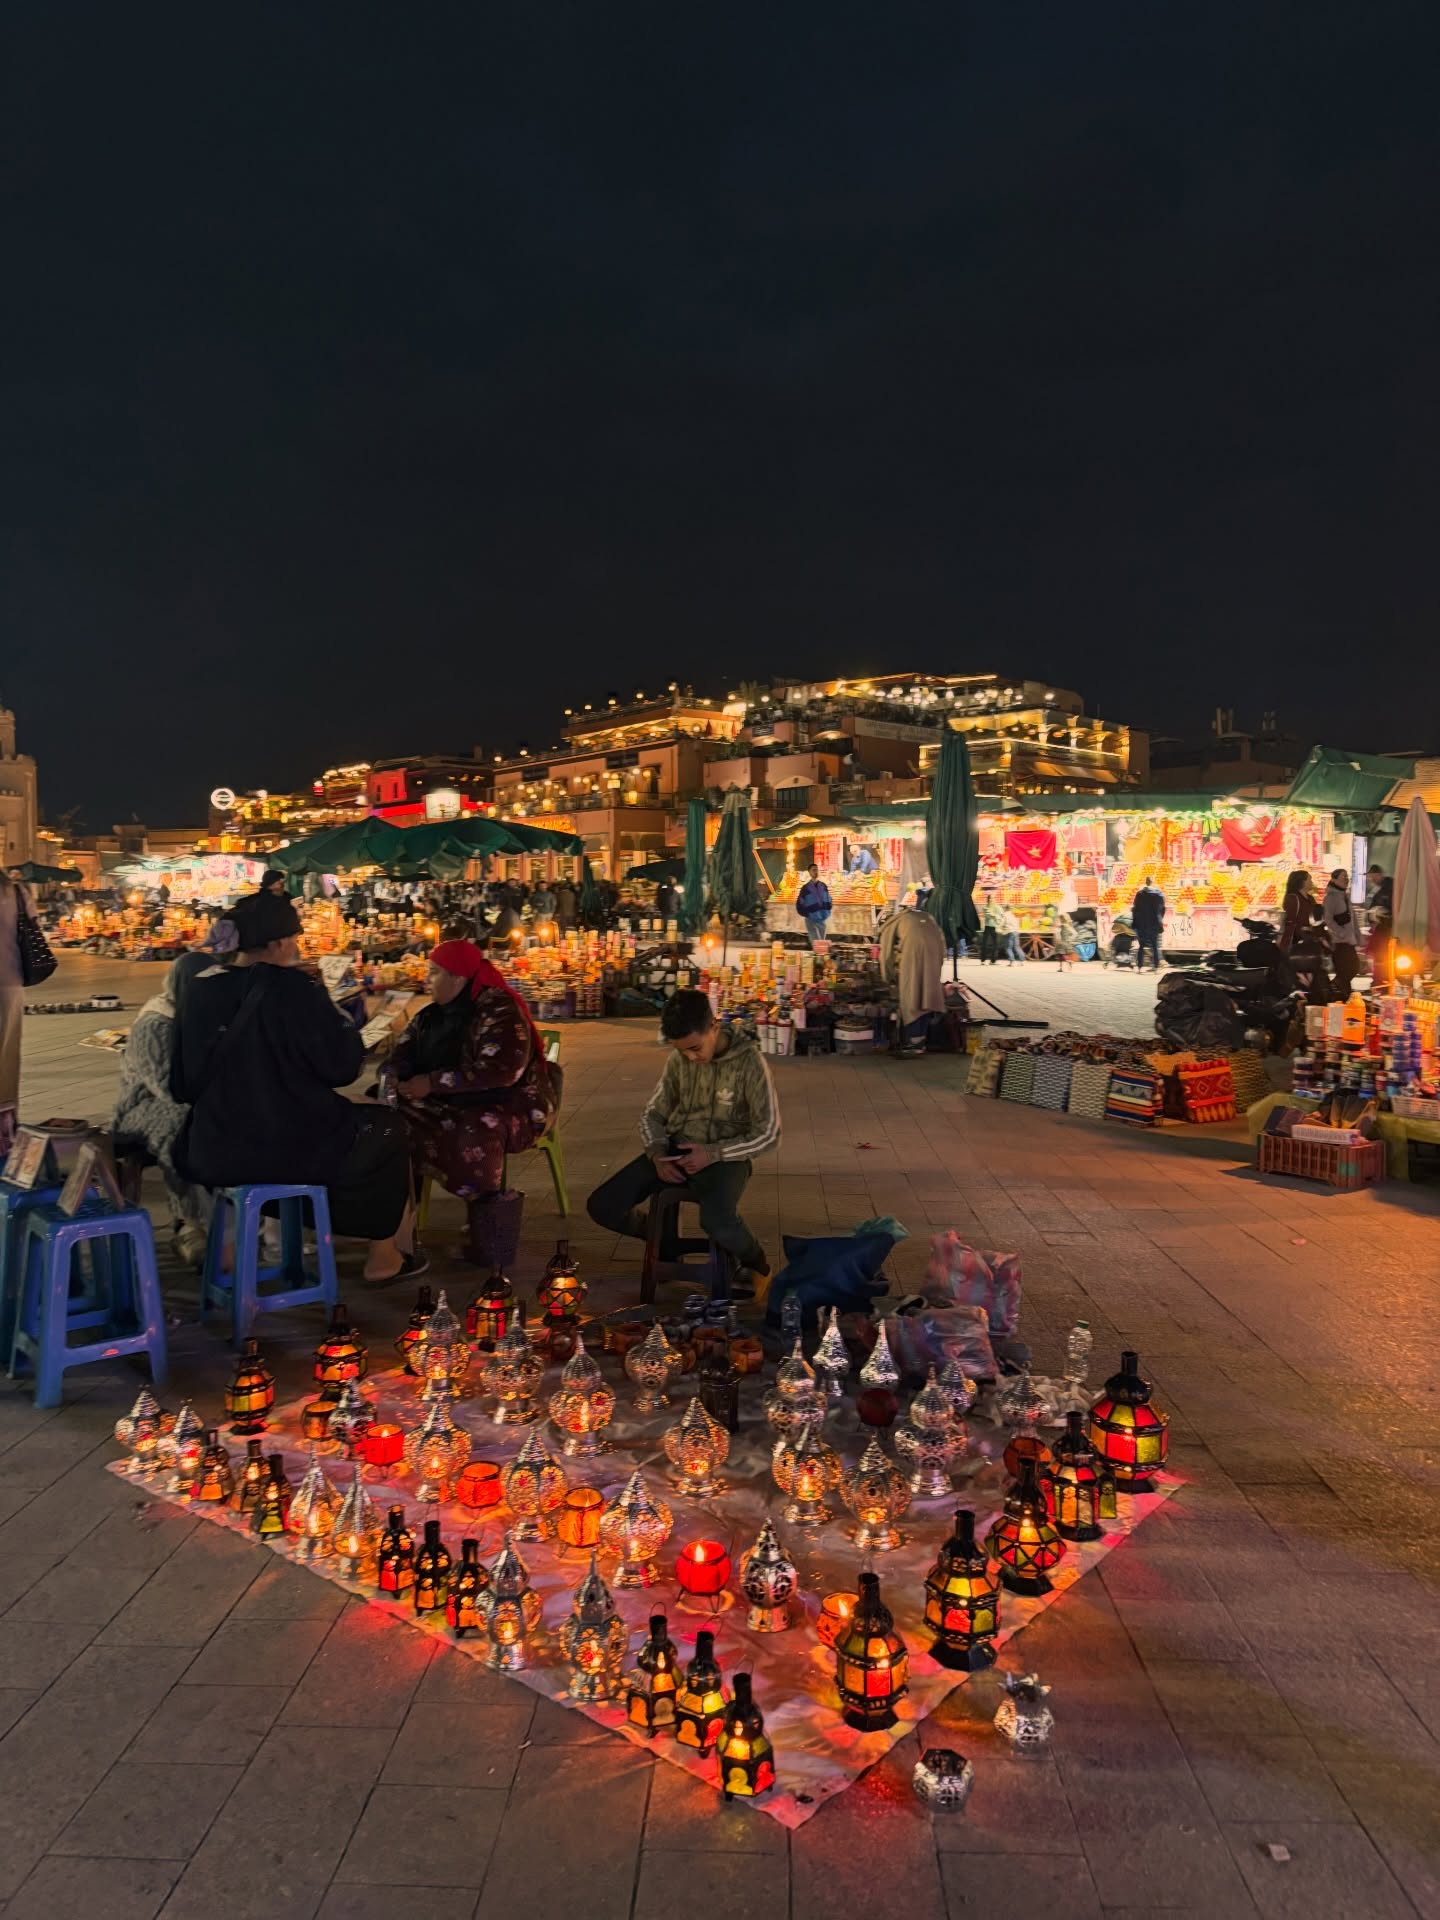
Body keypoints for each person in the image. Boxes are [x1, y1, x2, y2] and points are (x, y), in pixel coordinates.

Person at [174, 891, 421, 1282]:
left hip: (213, 1145)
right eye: (294, 938)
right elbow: (342, 1068)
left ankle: (255, 1245)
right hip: (282, 1147)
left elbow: (180, 1080)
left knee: (352, 1126)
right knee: (389, 1129)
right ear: (278, 943)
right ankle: (384, 1257)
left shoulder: (200, 988)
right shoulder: (297, 990)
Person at [586, 989, 778, 1293]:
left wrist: (713, 1154)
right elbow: (653, 1114)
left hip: (726, 1158)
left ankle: (756, 1263)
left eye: (695, 1048)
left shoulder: (750, 1064)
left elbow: (768, 1133)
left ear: (714, 1027)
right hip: (675, 1150)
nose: (691, 1057)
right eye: (682, 1050)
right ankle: (661, 1239)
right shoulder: (679, 1060)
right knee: (603, 1205)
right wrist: (657, 1153)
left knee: (718, 1221)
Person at [388, 940, 557, 1259]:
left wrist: (433, 1082)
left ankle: (488, 1229)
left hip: (512, 1102)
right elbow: (401, 1052)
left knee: (473, 1131)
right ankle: (398, 1230)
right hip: (451, 1100)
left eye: (434, 973)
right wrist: (397, 1079)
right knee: (392, 1123)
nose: (427, 979)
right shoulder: (430, 1016)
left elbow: (501, 1072)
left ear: (458, 978)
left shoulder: (500, 1011)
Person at [112, 952, 214, 1263]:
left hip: (193, 1097)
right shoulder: (156, 1024)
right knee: (182, 1125)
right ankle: (189, 1221)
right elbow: (168, 1087)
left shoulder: (202, 1016)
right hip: (143, 1106)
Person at [0, 870, 40, 1154]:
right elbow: (33, 926)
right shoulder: (16, 892)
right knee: (6, 1057)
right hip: (8, 983)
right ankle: (5, 1130)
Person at [878, 895, 948, 1053]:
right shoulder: (925, 916)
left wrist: (887, 977)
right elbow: (942, 945)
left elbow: (886, 954)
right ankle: (921, 1040)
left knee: (911, 997)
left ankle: (913, 1042)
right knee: (927, 996)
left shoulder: (891, 926)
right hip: (934, 957)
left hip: (914, 957)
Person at [1321, 868, 1360, 994]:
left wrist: (1357, 936)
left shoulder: (1345, 896)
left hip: (1349, 940)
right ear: (1334, 880)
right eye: (1343, 877)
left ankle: (1341, 994)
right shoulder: (1330, 898)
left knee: (1352, 968)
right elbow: (1328, 919)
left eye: (1347, 876)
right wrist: (1341, 933)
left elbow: (1353, 919)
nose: (1346, 879)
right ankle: (1336, 990)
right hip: (1339, 942)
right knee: (1347, 970)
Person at [1131, 877, 1166, 971]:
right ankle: (1156, 966)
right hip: (1154, 924)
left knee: (1141, 946)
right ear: (1152, 882)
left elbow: (1135, 909)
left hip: (1142, 925)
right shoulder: (1159, 894)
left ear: (1145, 882)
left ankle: (1139, 966)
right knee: (1154, 946)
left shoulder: (1139, 894)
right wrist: (1159, 919)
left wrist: (1135, 922)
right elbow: (1163, 909)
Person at [795, 865, 833, 945]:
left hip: (822, 918)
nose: (816, 872)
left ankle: (820, 956)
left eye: (817, 870)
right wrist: (807, 914)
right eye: (813, 870)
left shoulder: (823, 886)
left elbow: (828, 899)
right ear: (809, 872)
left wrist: (826, 911)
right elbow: (800, 903)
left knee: (822, 942)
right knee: (814, 942)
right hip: (810, 918)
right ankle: (816, 955)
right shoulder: (805, 888)